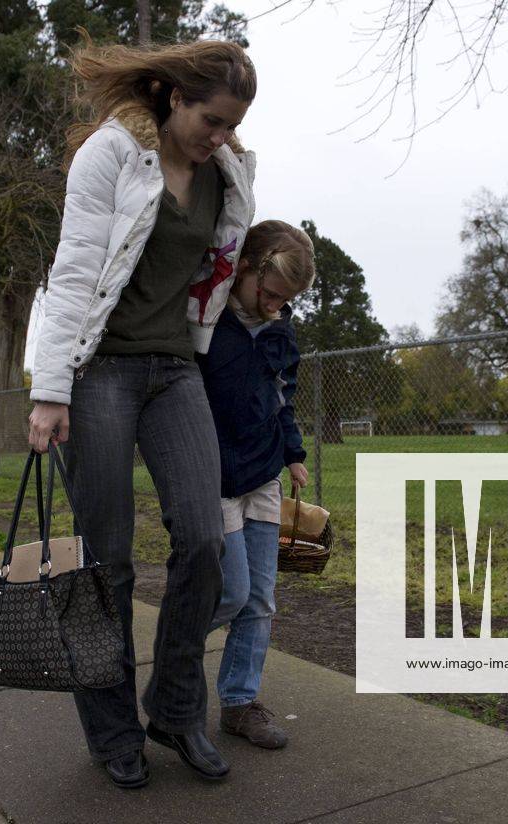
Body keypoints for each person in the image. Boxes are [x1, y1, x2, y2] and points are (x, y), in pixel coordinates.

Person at [26, 37, 257, 789]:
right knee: (108, 562)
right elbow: (73, 272)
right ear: (172, 95)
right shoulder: (113, 155)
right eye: (212, 120)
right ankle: (113, 728)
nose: (221, 136)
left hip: (173, 367)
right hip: (101, 372)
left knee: (203, 542)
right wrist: (50, 389)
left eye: (232, 125)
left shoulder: (228, 171)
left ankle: (176, 709)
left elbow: (220, 267)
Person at [198, 220, 316, 750]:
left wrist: (292, 454)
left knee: (262, 599)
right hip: (216, 476)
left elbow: (281, 396)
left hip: (263, 474)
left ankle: (240, 704)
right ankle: (174, 669)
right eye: (268, 294)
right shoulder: (205, 319)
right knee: (232, 592)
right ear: (246, 266)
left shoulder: (280, 329)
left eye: (284, 301)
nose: (274, 306)